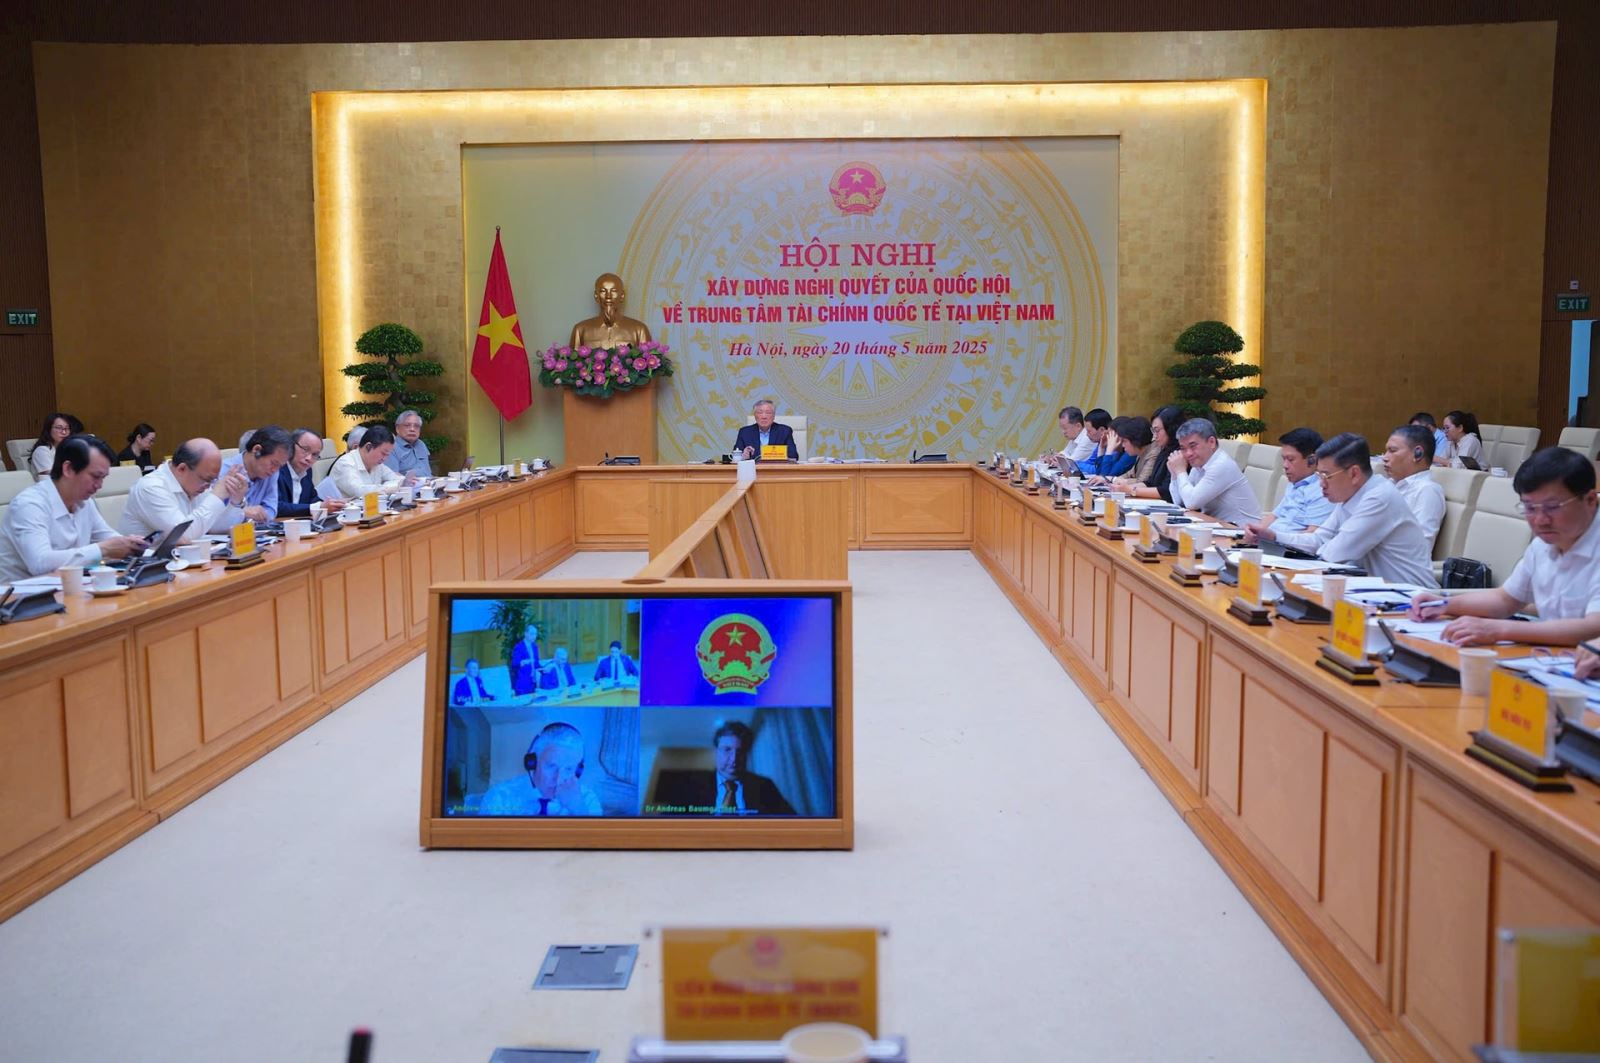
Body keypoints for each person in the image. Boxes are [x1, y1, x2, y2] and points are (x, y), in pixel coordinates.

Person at [1409, 448, 1600, 647]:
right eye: (1530, 508)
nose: (1540, 520)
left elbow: (1594, 627)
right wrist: (1443, 603)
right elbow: (1505, 599)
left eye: (1552, 507)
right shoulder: (1542, 545)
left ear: (1589, 500)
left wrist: (1498, 630)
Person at [1247, 433, 1436, 586]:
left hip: (1410, 598)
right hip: (1375, 591)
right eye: (1319, 475)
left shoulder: (1379, 498)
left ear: (1354, 474)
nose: (1321, 484)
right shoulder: (1351, 495)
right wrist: (1273, 536)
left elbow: (1333, 554)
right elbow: (1319, 539)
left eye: (1326, 476)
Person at [0, 434, 150, 581]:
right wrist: (103, 549)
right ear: (68, 469)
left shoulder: (84, 501)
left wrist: (132, 544)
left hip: (71, 586)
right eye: (95, 476)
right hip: (22, 594)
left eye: (103, 478)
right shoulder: (30, 505)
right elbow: (40, 563)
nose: (100, 486)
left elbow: (108, 537)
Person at [119, 438, 250, 542]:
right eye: (206, 479)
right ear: (182, 469)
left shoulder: (195, 483)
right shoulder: (151, 487)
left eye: (213, 480)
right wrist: (216, 496)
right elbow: (183, 535)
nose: (209, 486)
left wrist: (236, 501)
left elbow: (214, 527)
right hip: (148, 565)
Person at [654, 721, 796, 815]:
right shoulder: (690, 785)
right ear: (716, 752)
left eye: (740, 752)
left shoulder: (765, 786)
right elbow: (668, 824)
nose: (734, 759)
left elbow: (791, 822)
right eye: (727, 750)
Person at [476, 723, 602, 816]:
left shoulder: (587, 800)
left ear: (578, 771)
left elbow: (597, 842)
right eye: (551, 766)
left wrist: (578, 808)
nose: (558, 779)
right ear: (532, 763)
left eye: (568, 769)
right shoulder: (500, 797)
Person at [1166, 418, 1262, 526]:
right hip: (1217, 526)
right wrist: (1174, 475)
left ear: (1211, 442)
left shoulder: (1221, 465)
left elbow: (1191, 503)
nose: (1188, 453)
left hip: (1243, 530)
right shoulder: (1198, 465)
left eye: (1193, 446)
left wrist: (1180, 471)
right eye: (1183, 448)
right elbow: (1181, 503)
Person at [1254, 428, 1333, 534]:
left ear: (1312, 460)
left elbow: (1313, 535)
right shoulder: (1294, 483)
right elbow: (1274, 516)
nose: (1285, 465)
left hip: (1285, 543)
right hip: (1268, 540)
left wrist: (1274, 538)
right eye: (1284, 459)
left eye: (1290, 459)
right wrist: (1253, 533)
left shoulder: (1323, 490)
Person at [1382, 424, 1446, 548]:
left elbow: (1418, 548)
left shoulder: (1427, 491)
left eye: (1392, 451)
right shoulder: (1389, 484)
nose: (1385, 457)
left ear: (1418, 454)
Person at [216, 426, 293, 524]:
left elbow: (271, 510)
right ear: (257, 450)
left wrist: (260, 514)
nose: (275, 470)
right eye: (273, 463)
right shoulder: (222, 471)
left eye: (280, 466)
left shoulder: (272, 473)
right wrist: (242, 512)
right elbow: (212, 515)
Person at [1112, 405, 1183, 501]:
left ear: (1171, 429)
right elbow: (1149, 483)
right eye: (1153, 431)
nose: (1155, 436)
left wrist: (1130, 490)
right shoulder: (1163, 451)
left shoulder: (1178, 453)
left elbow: (1166, 491)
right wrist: (1120, 486)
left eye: (1157, 430)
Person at [570, 272, 652, 349]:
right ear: (596, 296)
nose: (608, 296)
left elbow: (647, 357)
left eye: (614, 291)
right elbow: (573, 358)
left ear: (622, 296)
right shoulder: (580, 330)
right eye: (603, 291)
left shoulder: (639, 330)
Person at [277, 429, 344, 520]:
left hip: (300, 525)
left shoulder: (307, 471)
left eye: (315, 454)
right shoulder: (276, 469)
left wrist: (333, 504)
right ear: (291, 446)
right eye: (305, 450)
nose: (309, 458)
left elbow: (312, 499)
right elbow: (277, 506)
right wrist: (318, 507)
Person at [329, 425, 408, 499]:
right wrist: (388, 489)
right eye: (383, 453)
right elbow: (360, 491)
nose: (385, 458)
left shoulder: (377, 464)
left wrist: (390, 487)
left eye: (388, 455)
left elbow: (398, 480)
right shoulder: (345, 463)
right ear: (368, 447)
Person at [732, 399, 798, 461]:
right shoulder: (744, 432)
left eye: (768, 413)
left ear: (774, 416)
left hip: (776, 468)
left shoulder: (785, 431)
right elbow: (735, 457)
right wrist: (743, 456)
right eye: (760, 413)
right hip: (753, 468)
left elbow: (793, 456)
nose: (764, 417)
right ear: (755, 415)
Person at [384, 410, 432, 478]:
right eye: (407, 425)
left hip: (429, 483)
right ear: (397, 428)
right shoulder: (391, 446)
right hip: (407, 484)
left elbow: (428, 472)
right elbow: (391, 475)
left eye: (416, 426)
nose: (412, 429)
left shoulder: (421, 444)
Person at [26, 412, 76, 478]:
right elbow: (52, 477)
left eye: (67, 428)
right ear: (48, 429)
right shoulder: (42, 451)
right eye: (59, 428)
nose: (64, 432)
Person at [510, 623, 548, 698]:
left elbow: (536, 664)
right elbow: (514, 664)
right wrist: (522, 662)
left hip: (532, 681)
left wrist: (543, 669)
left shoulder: (534, 646)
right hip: (522, 682)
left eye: (535, 634)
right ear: (526, 634)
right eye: (532, 634)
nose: (534, 636)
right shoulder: (519, 647)